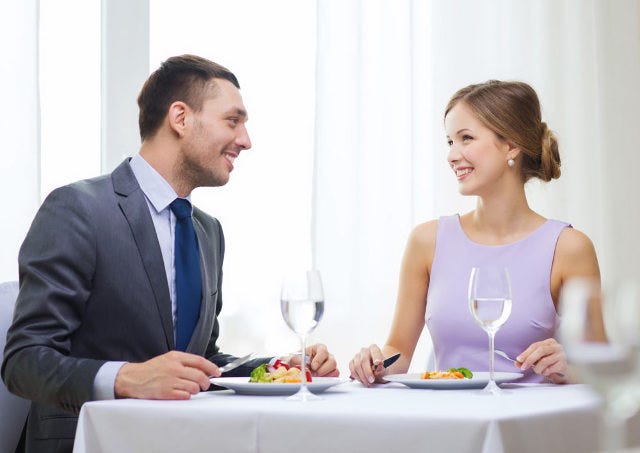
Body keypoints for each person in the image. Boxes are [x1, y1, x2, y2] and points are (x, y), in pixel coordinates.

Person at [2, 54, 338, 452]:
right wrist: (127, 378)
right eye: (233, 120)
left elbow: (202, 360)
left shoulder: (208, 232)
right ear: (180, 118)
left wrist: (280, 369)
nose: (246, 140)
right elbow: (24, 361)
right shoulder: (78, 209)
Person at [349, 80, 606, 386]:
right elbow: (398, 353)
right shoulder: (427, 242)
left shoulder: (568, 248)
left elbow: (602, 368)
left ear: (511, 145)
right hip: (448, 413)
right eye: (450, 142)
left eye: (466, 138)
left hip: (530, 415)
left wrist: (568, 367)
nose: (451, 155)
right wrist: (375, 364)